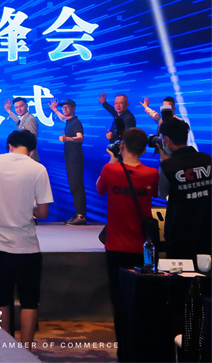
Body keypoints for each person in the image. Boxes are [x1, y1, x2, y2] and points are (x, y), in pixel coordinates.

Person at [0, 130, 52, 348]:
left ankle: (8, 351)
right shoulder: (38, 169)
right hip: (28, 247)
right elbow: (43, 212)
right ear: (32, 150)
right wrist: (26, 208)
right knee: (29, 302)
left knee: (1, 302)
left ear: (9, 145)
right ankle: (26, 350)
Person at [96, 127, 158, 360]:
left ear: (121, 146)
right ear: (144, 149)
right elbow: (156, 193)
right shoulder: (151, 173)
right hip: (143, 248)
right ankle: (143, 351)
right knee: (143, 302)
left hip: (115, 246)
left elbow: (99, 189)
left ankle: (125, 351)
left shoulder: (110, 169)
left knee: (119, 301)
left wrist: (114, 158)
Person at [158, 118, 211, 263]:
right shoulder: (208, 160)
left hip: (179, 232)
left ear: (166, 140)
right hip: (207, 229)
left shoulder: (167, 166)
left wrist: (165, 160)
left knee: (180, 274)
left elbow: (161, 194)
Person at [48, 98, 87, 225]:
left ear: (73, 108)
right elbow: (63, 118)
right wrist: (55, 110)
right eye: (63, 107)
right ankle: (78, 213)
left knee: (77, 186)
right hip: (70, 157)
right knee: (73, 186)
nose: (64, 109)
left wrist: (68, 139)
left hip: (75, 158)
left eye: (67, 107)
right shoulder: (69, 121)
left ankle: (81, 216)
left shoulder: (76, 123)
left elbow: (80, 138)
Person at [4, 97, 40, 161]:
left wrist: (28, 158)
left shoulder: (30, 120)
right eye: (16, 107)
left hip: (29, 158)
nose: (19, 109)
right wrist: (9, 111)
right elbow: (18, 121)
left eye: (21, 106)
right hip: (24, 156)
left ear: (26, 106)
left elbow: (32, 140)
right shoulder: (23, 118)